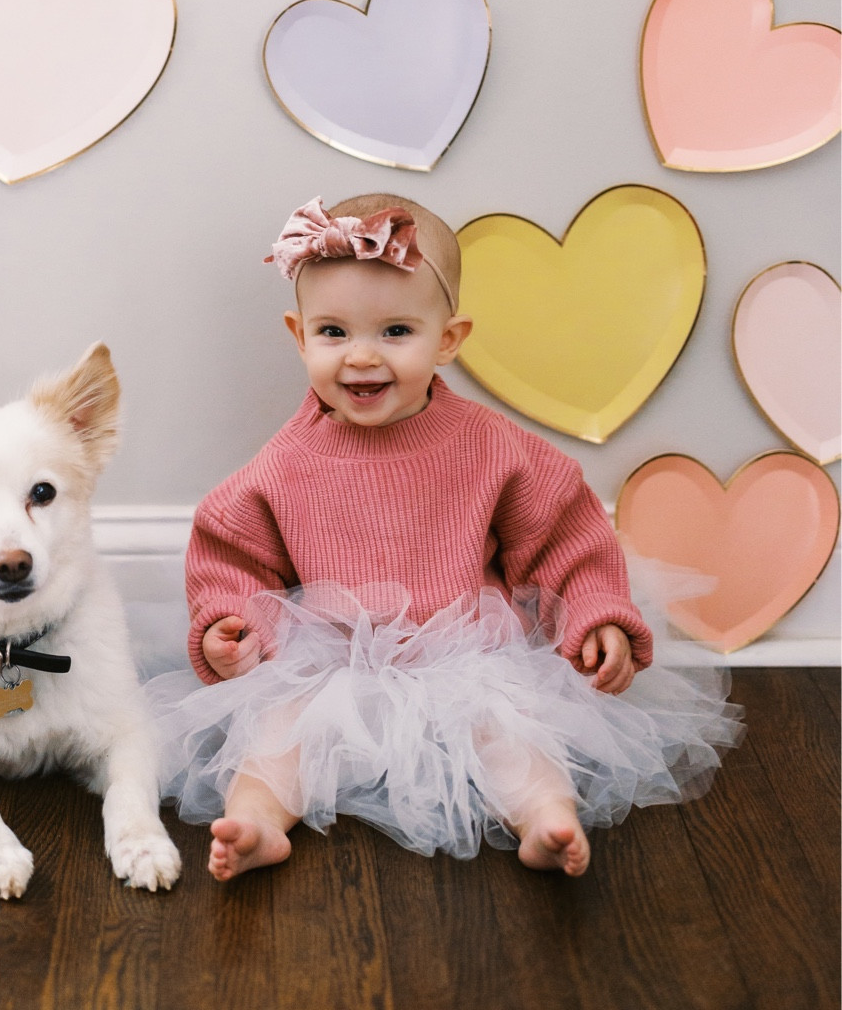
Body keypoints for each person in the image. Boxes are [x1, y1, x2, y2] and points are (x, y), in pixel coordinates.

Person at [147, 193, 740, 882]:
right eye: (334, 333)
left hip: (468, 659)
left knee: (511, 733)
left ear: (449, 339)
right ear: (299, 335)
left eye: (396, 332)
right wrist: (231, 618)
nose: (361, 358)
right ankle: (254, 821)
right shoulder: (288, 459)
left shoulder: (490, 447)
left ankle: (546, 817)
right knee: (280, 732)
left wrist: (593, 612)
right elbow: (233, 549)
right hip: (332, 662)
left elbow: (563, 537)